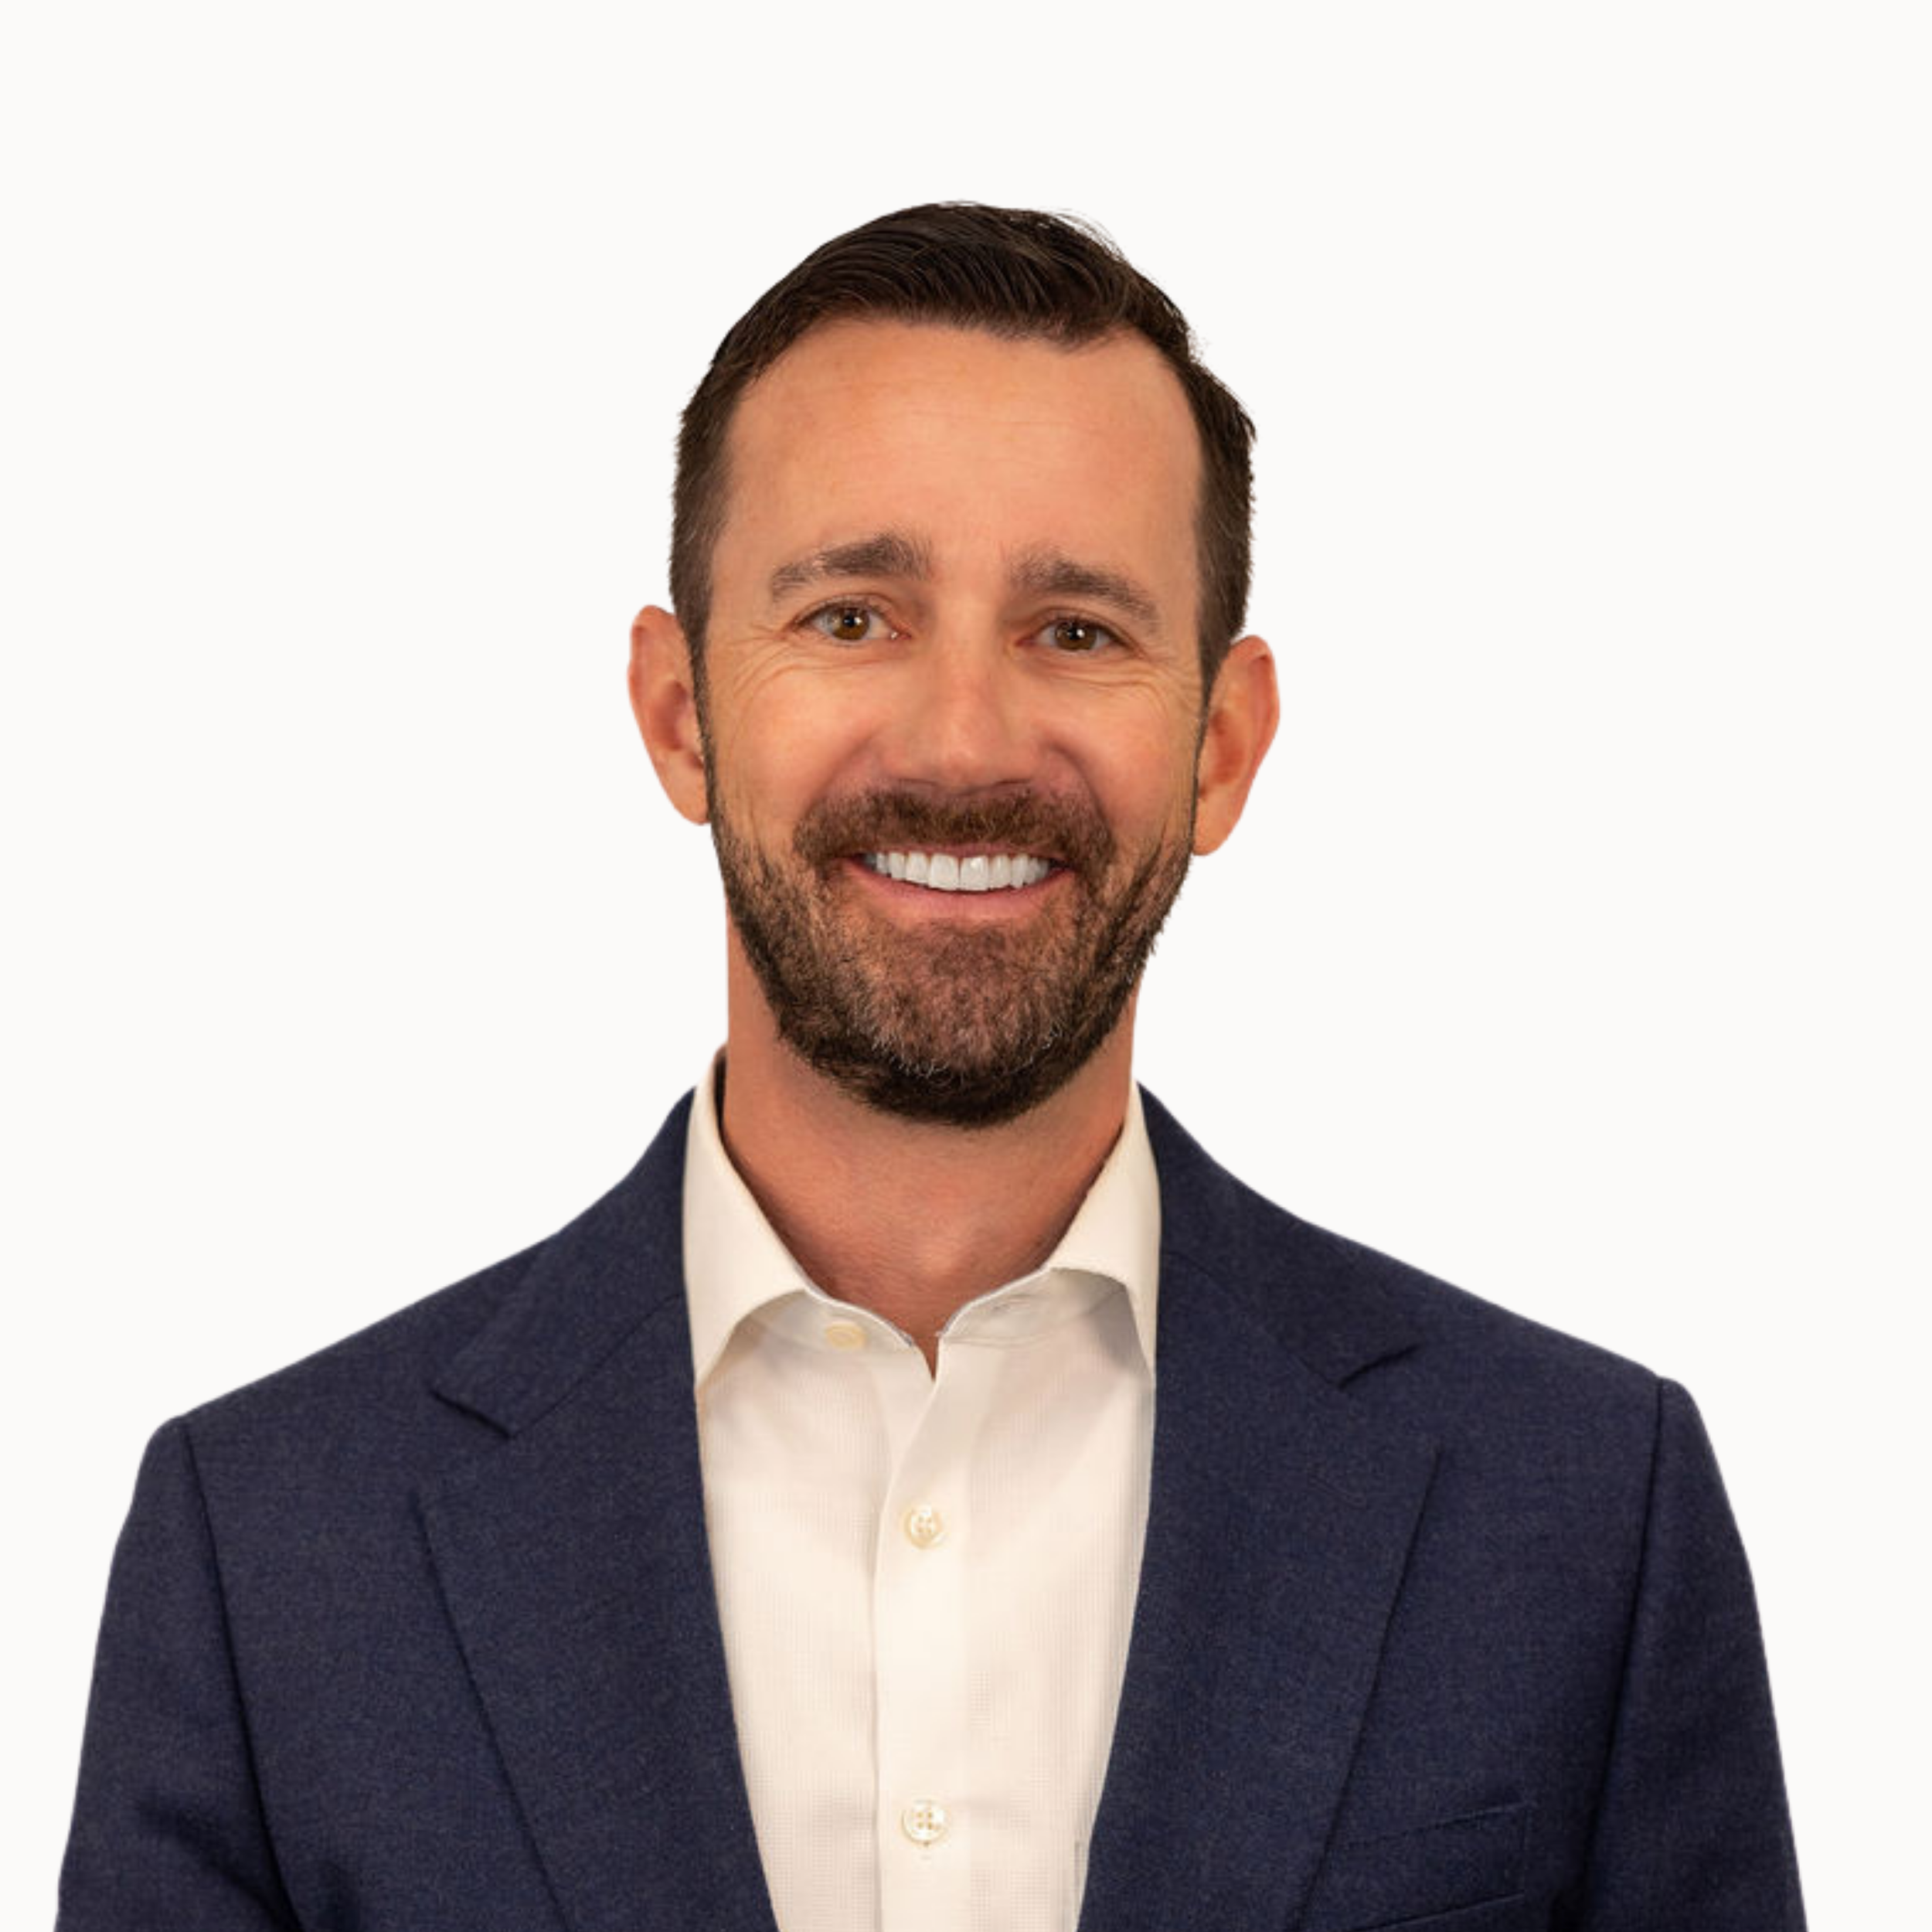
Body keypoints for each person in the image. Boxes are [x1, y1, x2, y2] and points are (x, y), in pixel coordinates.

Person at [56, 203, 1805, 1932]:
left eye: (1075, 630)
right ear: (678, 713)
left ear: (1222, 742)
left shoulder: (1580, 1508)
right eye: (848, 616)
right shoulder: (273, 1549)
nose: (962, 740)